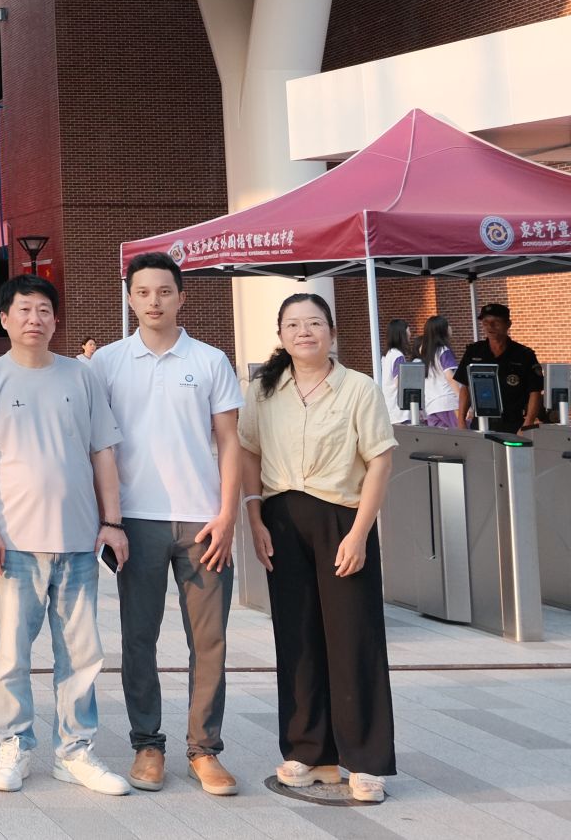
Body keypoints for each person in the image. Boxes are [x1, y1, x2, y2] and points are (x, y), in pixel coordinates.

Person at [0, 274, 131, 797]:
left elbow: (103, 451)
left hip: (78, 542)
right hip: (13, 545)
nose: (34, 319)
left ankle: (74, 751)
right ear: (4, 319)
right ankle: (13, 744)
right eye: (24, 310)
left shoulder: (81, 376)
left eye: (43, 310)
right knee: (11, 654)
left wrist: (113, 522)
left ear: (56, 320)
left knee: (80, 655)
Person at [89, 253, 242, 798]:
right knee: (139, 637)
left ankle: (204, 750)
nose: (154, 301)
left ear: (182, 297)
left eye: (164, 291)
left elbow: (230, 442)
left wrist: (227, 515)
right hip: (136, 520)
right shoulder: (106, 363)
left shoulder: (210, 360)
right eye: (143, 292)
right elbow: (97, 446)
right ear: (130, 298)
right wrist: (107, 520)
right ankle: (147, 744)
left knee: (210, 640)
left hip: (203, 523)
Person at [239, 292, 396, 804]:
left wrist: (360, 533)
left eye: (313, 323)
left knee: (354, 638)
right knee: (297, 638)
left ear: (331, 331)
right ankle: (309, 749)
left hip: (342, 521)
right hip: (282, 522)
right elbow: (248, 452)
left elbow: (379, 462)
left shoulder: (359, 388)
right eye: (292, 325)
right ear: (281, 335)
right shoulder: (264, 390)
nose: (303, 332)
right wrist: (254, 516)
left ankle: (365, 760)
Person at [455, 302, 543, 431]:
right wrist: (461, 421)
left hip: (513, 424)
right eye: (485, 322)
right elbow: (466, 387)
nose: (490, 326)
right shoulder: (474, 352)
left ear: (508, 324)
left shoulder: (524, 355)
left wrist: (527, 425)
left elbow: (535, 392)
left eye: (496, 322)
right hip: (481, 422)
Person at [413, 315, 462, 428]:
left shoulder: (425, 354)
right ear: (442, 330)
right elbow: (450, 376)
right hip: (449, 403)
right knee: (462, 435)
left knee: (439, 438)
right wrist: (462, 400)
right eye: (448, 325)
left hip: (432, 406)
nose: (450, 328)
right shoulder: (444, 351)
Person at [379, 319, 412, 424]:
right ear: (401, 334)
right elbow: (400, 383)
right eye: (408, 331)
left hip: (390, 409)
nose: (410, 334)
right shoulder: (398, 356)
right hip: (400, 412)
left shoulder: (387, 354)